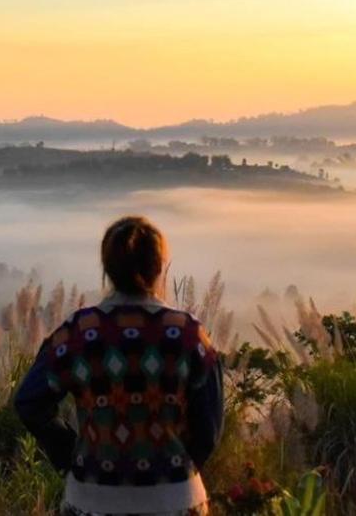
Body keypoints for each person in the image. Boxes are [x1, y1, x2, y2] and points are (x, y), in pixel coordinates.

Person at [14, 216, 224, 516]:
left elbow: (28, 402)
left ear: (108, 269)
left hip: (91, 500)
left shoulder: (78, 333)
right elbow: (209, 431)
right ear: (159, 267)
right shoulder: (189, 335)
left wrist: (71, 454)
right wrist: (174, 467)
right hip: (176, 501)